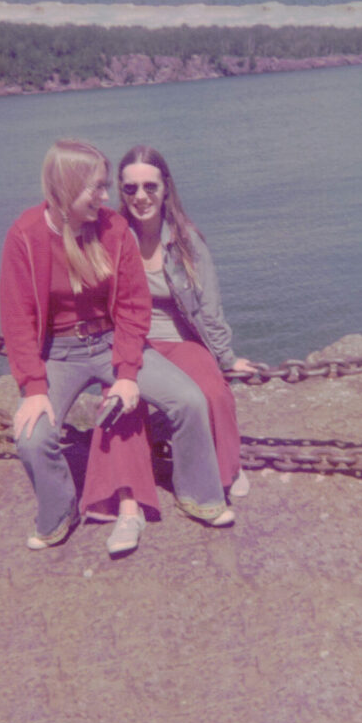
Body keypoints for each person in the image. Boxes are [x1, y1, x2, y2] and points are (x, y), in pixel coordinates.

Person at [0, 139, 234, 558]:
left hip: (111, 342)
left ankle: (199, 494)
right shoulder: (26, 235)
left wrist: (126, 374)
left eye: (107, 187)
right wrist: (33, 388)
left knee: (189, 400)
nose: (106, 198)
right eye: (97, 188)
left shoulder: (113, 229)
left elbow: (132, 306)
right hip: (59, 353)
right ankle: (59, 514)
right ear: (68, 187)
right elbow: (16, 319)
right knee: (33, 439)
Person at [115, 143, 255, 498]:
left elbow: (209, 307)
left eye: (151, 187)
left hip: (180, 341)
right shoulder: (112, 240)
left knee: (213, 393)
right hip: (135, 345)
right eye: (131, 188)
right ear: (120, 190)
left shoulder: (187, 243)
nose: (141, 196)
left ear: (166, 189)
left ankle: (228, 470)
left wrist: (225, 359)